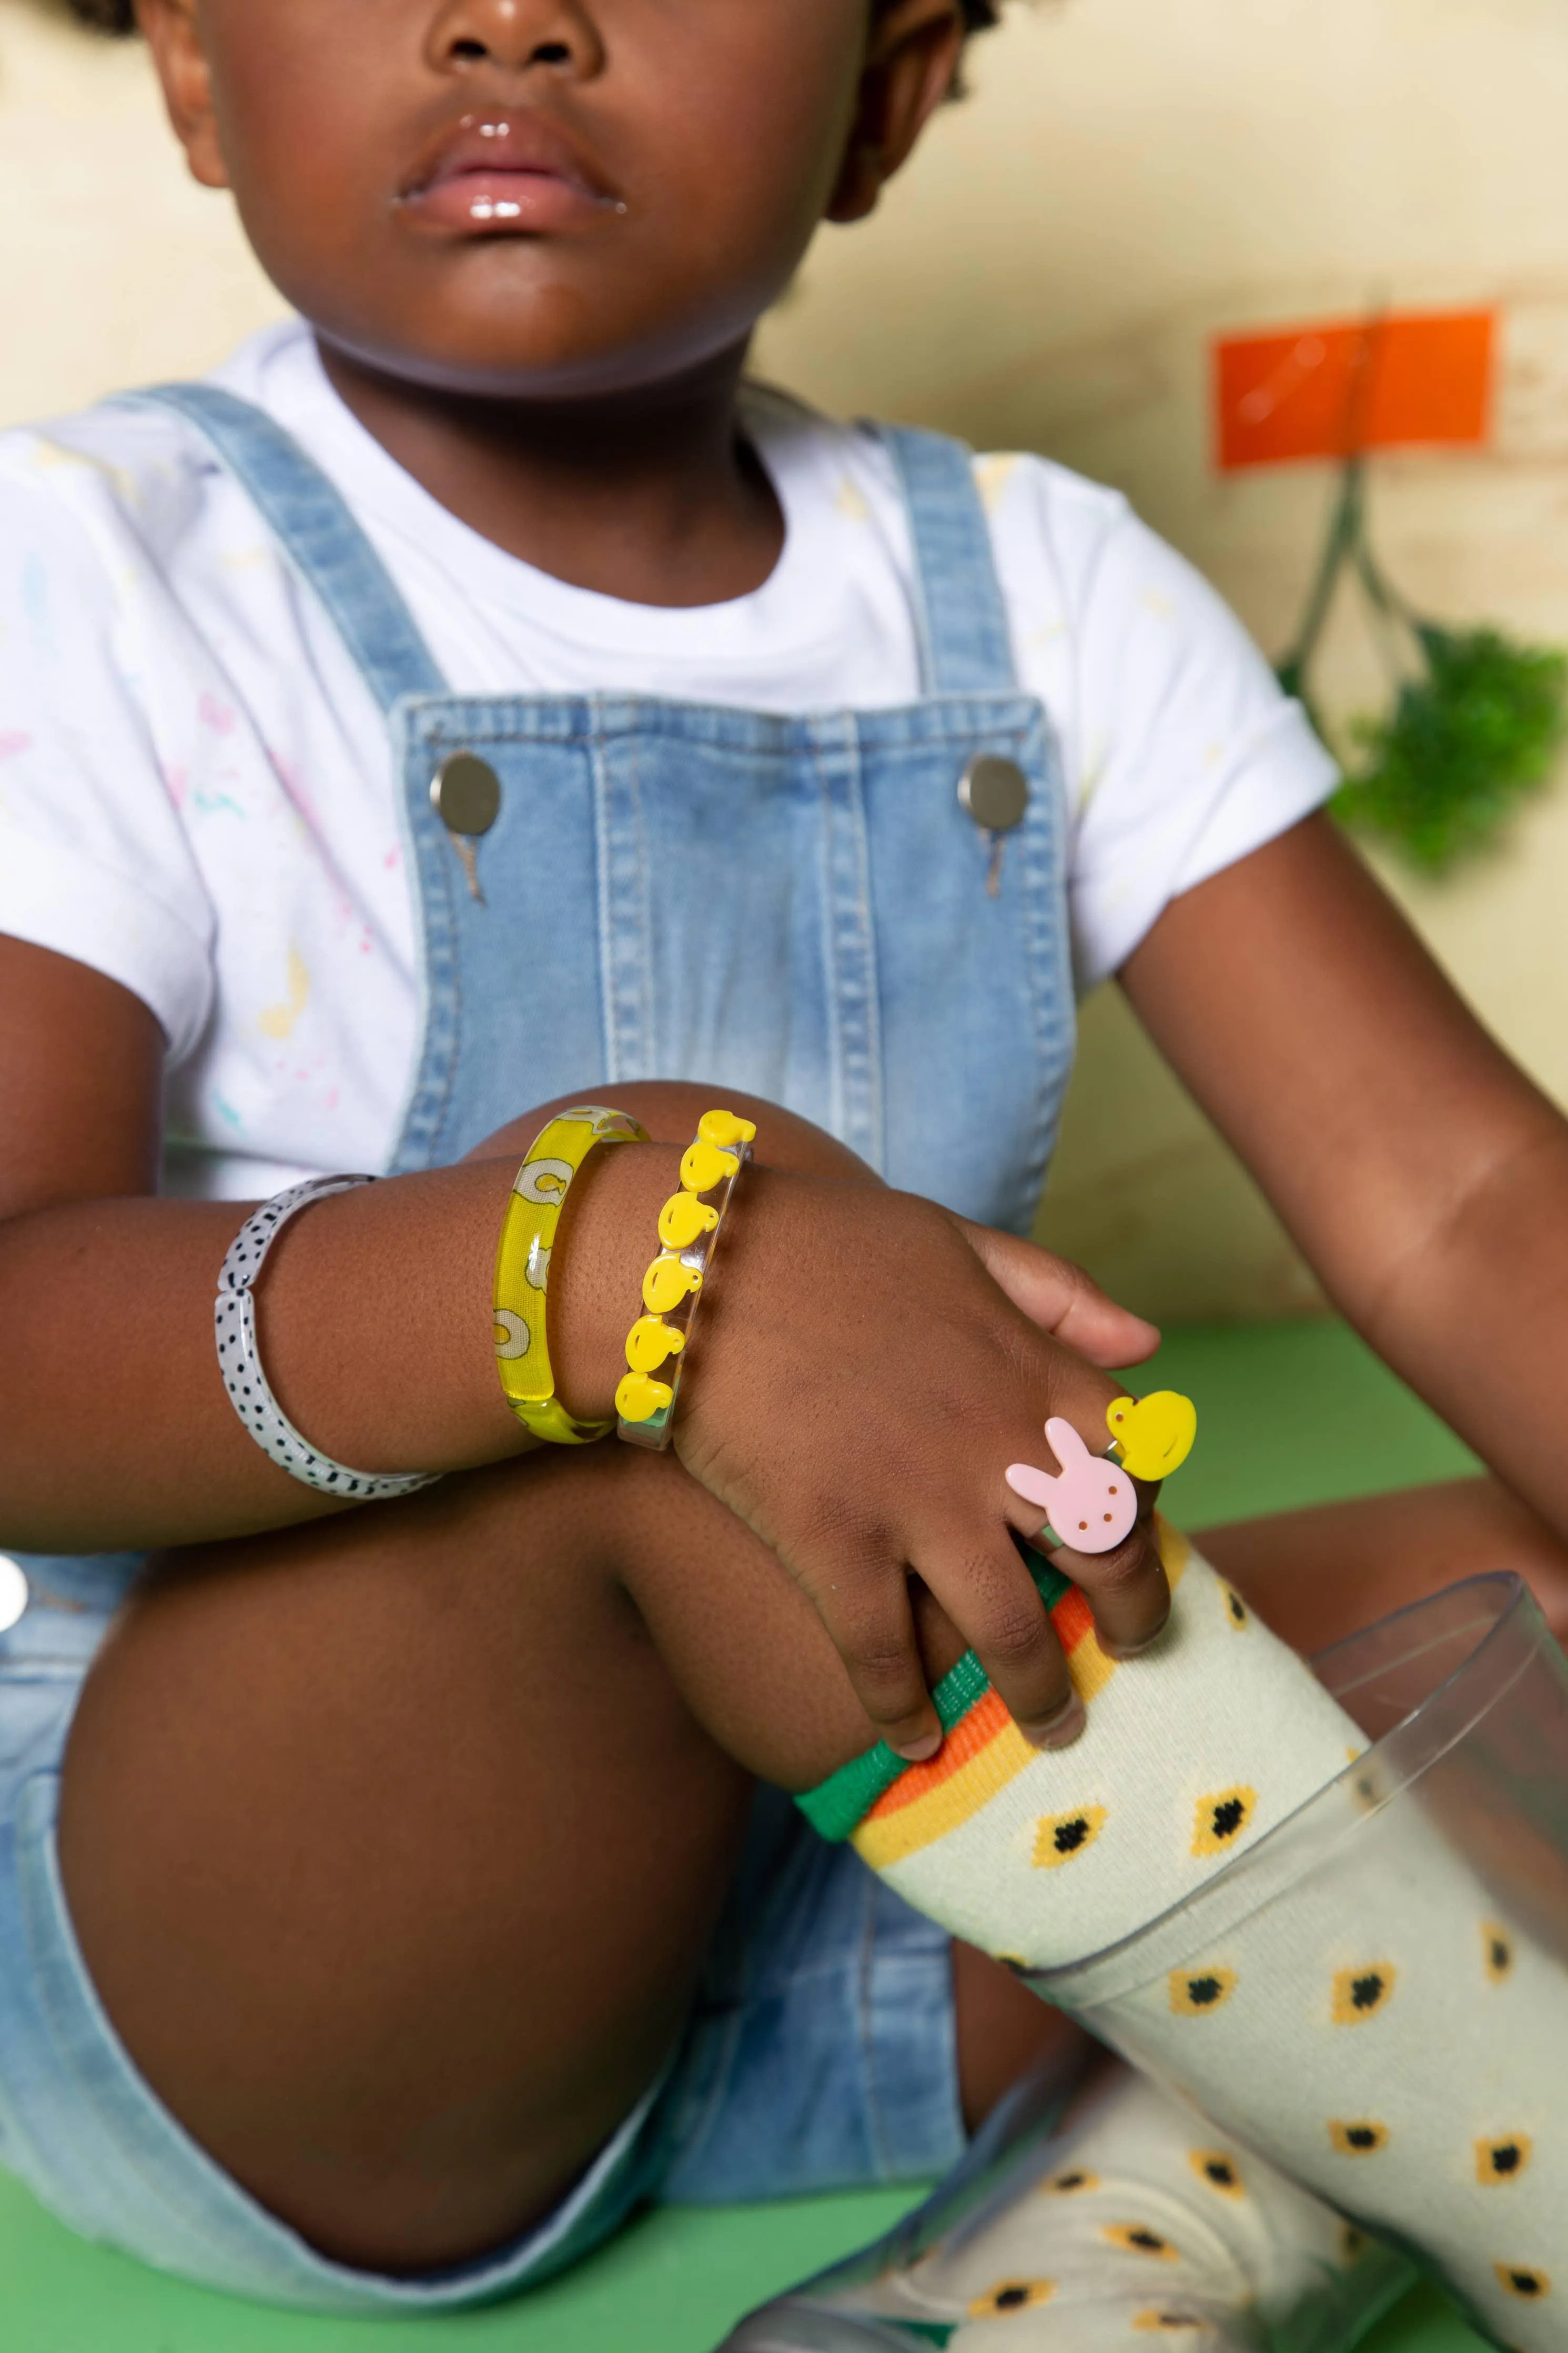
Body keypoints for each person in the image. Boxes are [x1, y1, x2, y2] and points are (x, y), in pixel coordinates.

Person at [1, 0, 1566, 2322]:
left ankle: (1106, 2236)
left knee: (1520, 1620)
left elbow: (1457, 1205)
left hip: (901, 1866)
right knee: (673, 1251)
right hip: (290, 1962)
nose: (508, 13)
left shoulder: (1034, 588)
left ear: (893, 84)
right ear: (198, 69)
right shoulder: (97, 567)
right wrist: (601, 1262)